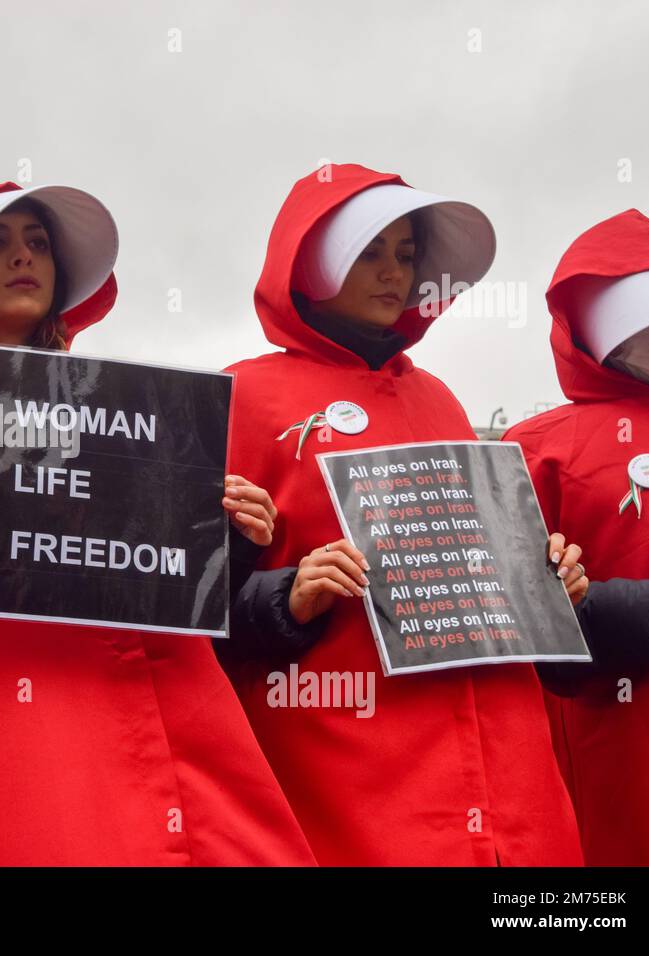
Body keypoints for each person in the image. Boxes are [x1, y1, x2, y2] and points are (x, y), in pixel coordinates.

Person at [0, 181, 315, 865]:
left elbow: (176, 596)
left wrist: (231, 541)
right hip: (15, 753)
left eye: (38, 243)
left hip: (178, 719)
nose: (23, 257)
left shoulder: (140, 418)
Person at [220, 162, 585, 865]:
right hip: (347, 767)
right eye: (370, 252)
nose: (395, 273)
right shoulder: (242, 397)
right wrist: (288, 597)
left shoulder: (442, 399)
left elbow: (484, 569)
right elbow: (194, 611)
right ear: (317, 263)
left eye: (407, 255)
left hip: (511, 761)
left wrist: (546, 584)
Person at [503, 209, 649, 865]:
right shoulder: (537, 449)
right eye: (647, 319)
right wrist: (627, 614)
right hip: (611, 741)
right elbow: (505, 611)